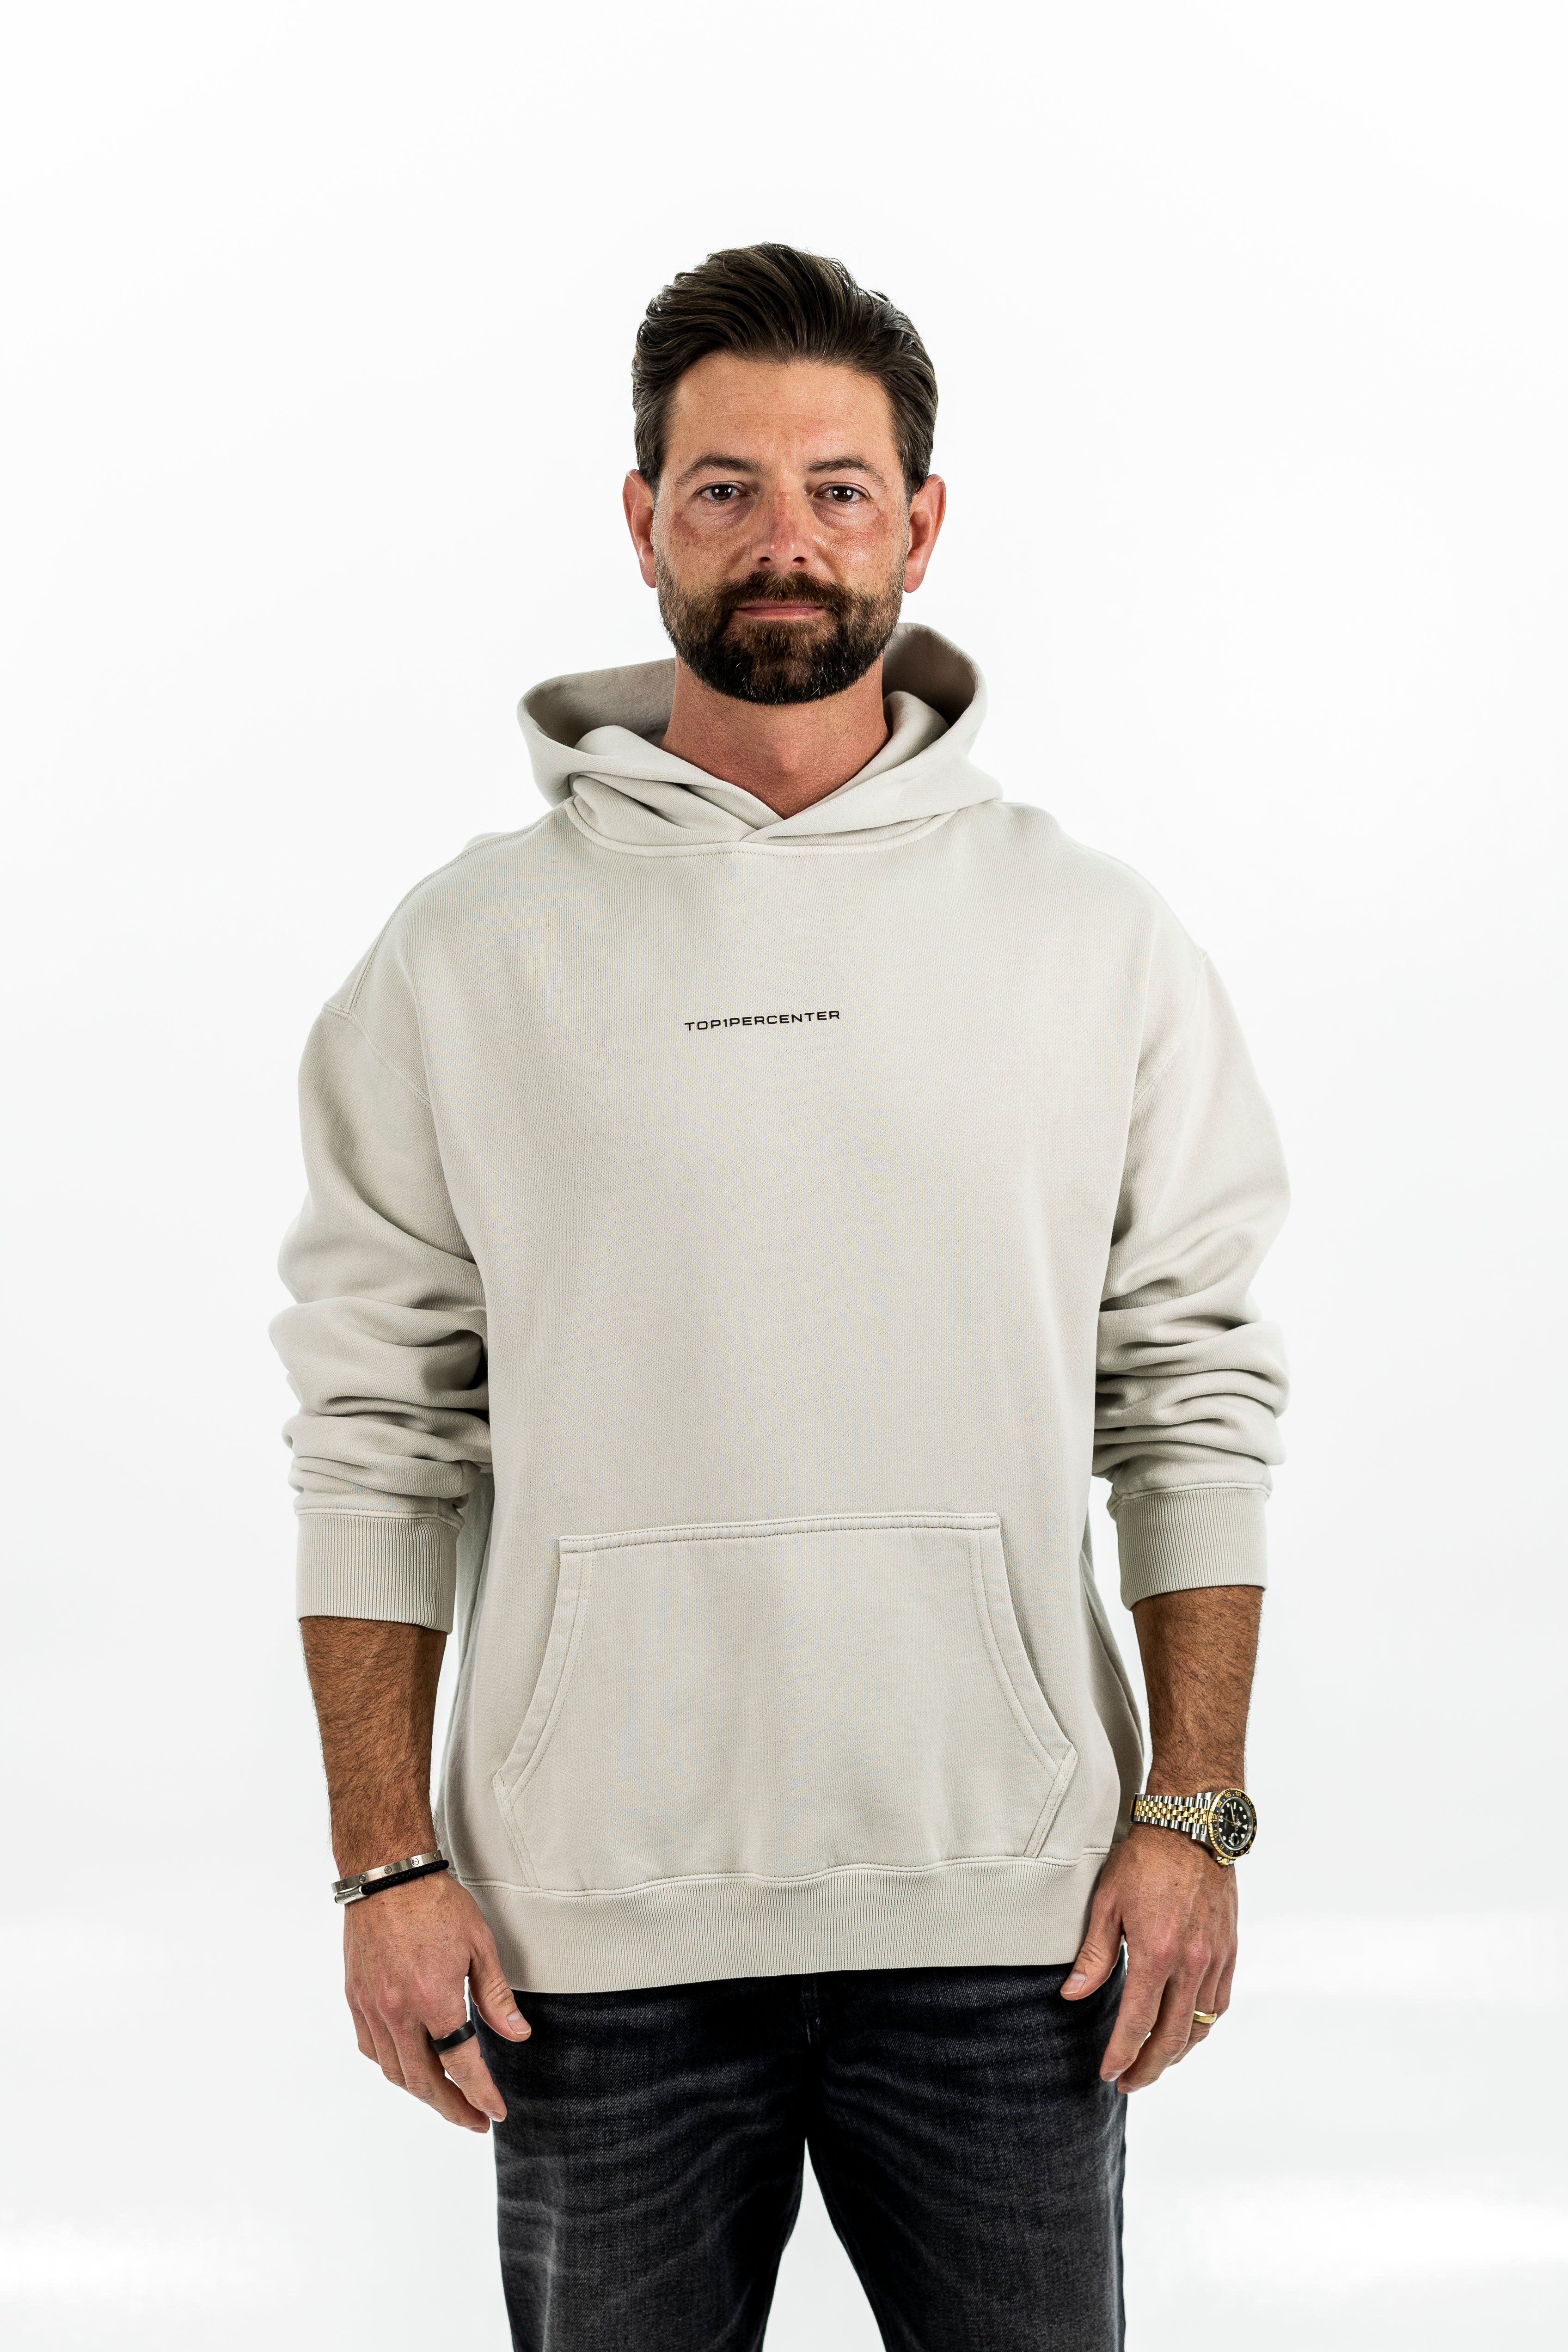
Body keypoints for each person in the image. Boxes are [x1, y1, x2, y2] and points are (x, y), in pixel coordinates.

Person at [271, 242, 1288, 2352]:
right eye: (725, 488)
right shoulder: (462, 957)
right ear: (642, 520)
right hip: (584, 1941)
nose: (784, 540)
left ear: (921, 523)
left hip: (1017, 1922)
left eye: (839, 489)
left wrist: (1191, 1817)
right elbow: (375, 1427)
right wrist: (383, 1864)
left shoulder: (1091, 939)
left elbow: (1190, 1390)